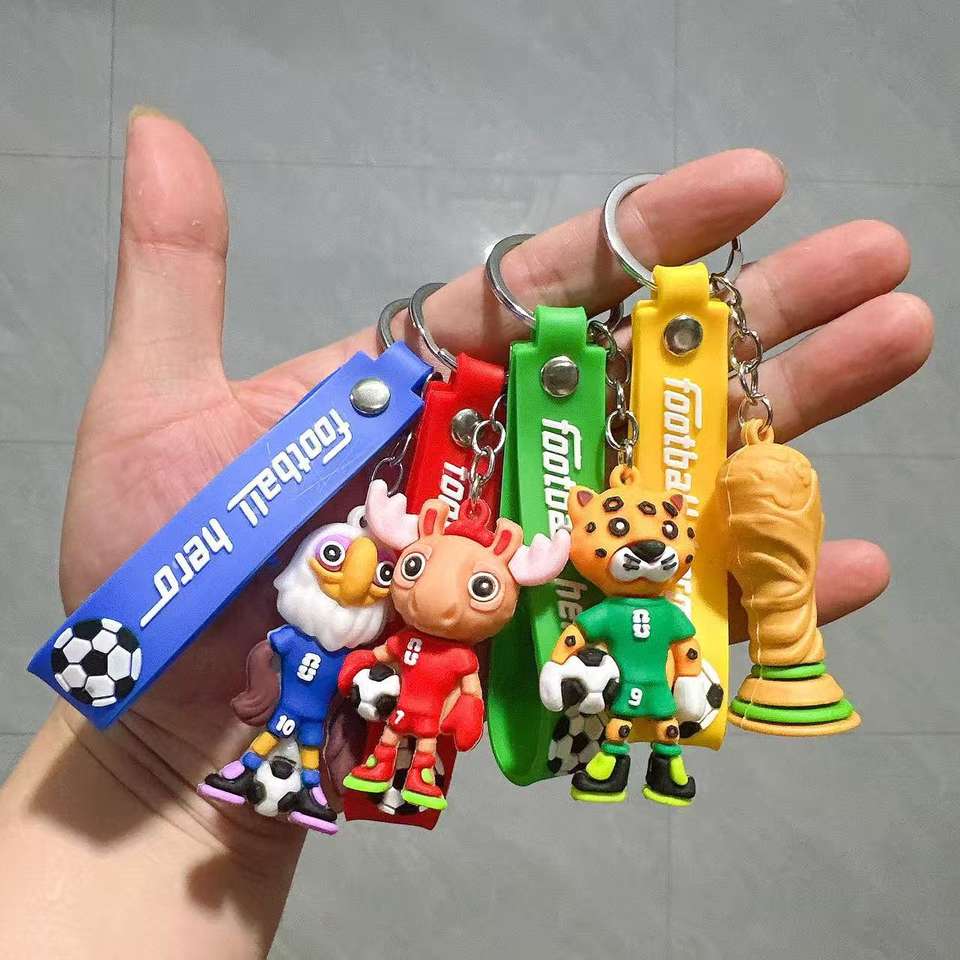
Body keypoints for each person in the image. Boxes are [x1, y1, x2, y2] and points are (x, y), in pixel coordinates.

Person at [0, 109, 932, 958]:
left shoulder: (564, 603)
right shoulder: (364, 624)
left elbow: (558, 656)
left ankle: (623, 755)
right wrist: (163, 743)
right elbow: (402, 667)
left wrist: (144, 767)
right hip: (343, 728)